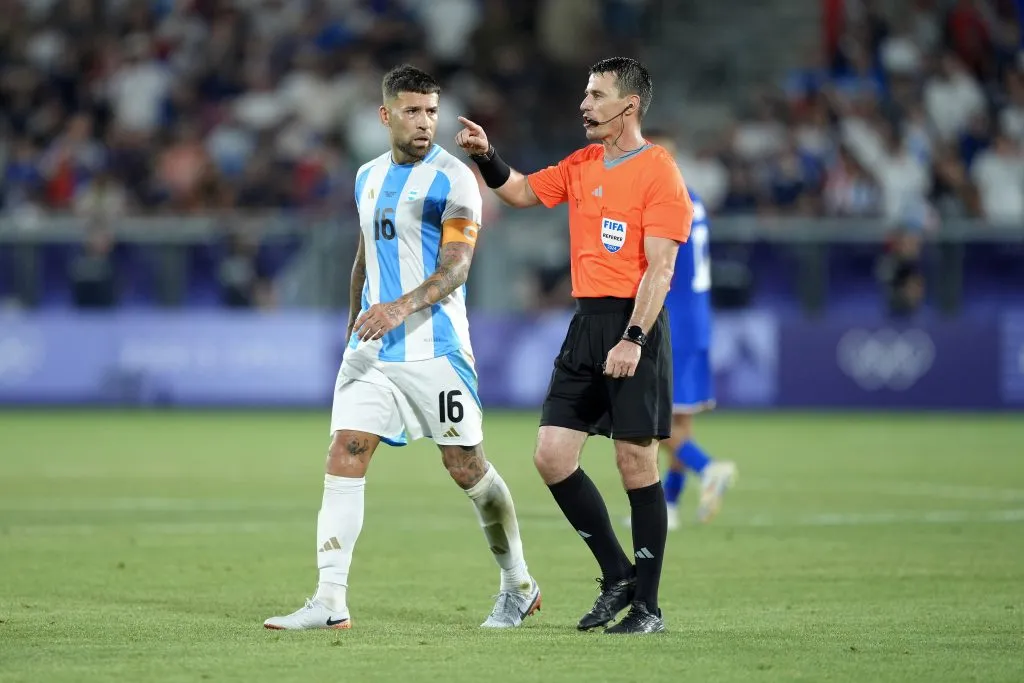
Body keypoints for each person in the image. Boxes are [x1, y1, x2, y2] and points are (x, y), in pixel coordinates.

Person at [265, 65, 540, 631]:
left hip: (435, 351)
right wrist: (353, 321)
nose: (425, 123)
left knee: (466, 467)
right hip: (372, 353)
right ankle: (330, 600)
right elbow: (364, 257)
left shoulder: (457, 179)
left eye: (432, 111)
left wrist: (397, 308)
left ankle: (519, 583)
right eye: (412, 111)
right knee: (346, 452)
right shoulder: (365, 176)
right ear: (385, 115)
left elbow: (457, 268)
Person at [456, 57, 691, 634]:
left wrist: (634, 338)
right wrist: (487, 155)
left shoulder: (660, 172)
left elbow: (660, 269)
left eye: (597, 95)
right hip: (585, 324)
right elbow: (518, 192)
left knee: (635, 462)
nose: (584, 104)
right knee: (552, 456)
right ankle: (616, 574)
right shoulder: (582, 163)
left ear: (629, 105)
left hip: (635, 324)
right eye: (585, 94)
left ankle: (649, 607)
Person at [628, 131, 738, 530]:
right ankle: (669, 508)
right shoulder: (694, 196)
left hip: (671, 321)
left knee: (646, 419)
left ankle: (708, 468)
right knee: (681, 419)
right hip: (699, 321)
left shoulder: (661, 199)